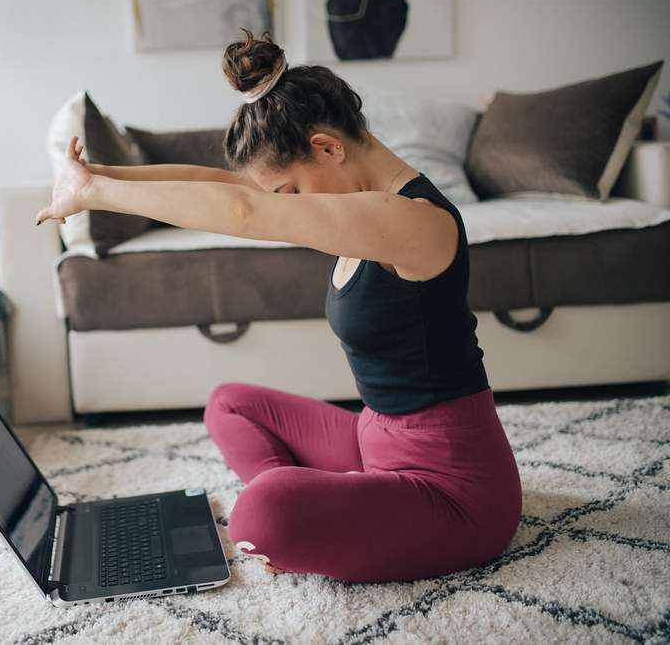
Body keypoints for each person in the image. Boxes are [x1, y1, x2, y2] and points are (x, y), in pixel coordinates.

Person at [36, 30, 522, 583]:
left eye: (288, 192)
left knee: (261, 513)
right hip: (374, 440)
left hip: (455, 492)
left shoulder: (413, 221)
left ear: (328, 147)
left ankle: (298, 504)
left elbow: (243, 211)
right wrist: (95, 176)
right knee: (229, 404)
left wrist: (96, 197)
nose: (286, 210)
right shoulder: (350, 199)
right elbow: (221, 185)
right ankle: (316, 500)